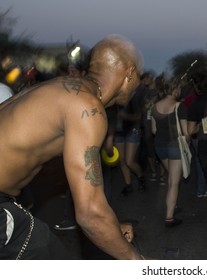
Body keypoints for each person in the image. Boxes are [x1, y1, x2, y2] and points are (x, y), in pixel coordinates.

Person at [0, 34, 146, 259]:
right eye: (139, 75)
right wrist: (138, 262)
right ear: (129, 73)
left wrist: (112, 227)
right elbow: (90, 215)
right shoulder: (87, 107)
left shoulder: (54, 88)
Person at [151, 76, 189, 228]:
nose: (180, 90)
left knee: (171, 179)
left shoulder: (154, 107)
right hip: (174, 146)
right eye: (179, 87)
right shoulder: (180, 107)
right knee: (174, 182)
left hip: (159, 146)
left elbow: (153, 130)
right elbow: (185, 133)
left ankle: (171, 205)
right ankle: (169, 217)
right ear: (174, 89)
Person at [114, 85, 146, 196]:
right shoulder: (113, 100)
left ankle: (141, 176)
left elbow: (138, 117)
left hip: (132, 131)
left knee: (129, 161)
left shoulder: (133, 98)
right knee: (121, 160)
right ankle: (128, 185)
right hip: (117, 132)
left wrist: (124, 116)